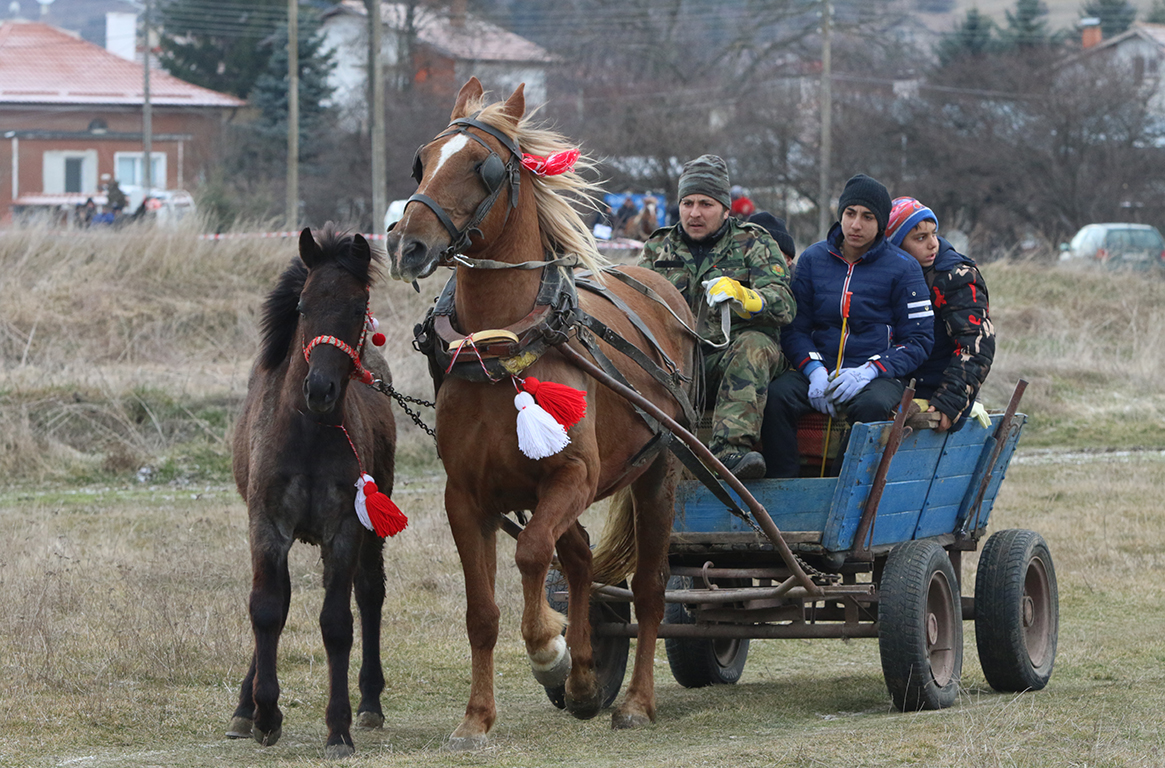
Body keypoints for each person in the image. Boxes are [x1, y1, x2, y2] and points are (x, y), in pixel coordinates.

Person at [761, 174, 934, 478]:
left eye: (867, 217)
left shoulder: (904, 268)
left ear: (880, 224)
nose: (856, 225)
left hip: (876, 374)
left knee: (873, 407)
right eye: (850, 213)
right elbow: (794, 327)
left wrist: (870, 370)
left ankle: (840, 488)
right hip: (820, 368)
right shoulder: (814, 259)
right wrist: (813, 370)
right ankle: (783, 487)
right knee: (776, 397)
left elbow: (919, 340)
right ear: (840, 215)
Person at [640, 154, 796, 478]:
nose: (694, 213)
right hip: (678, 362)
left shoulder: (753, 242)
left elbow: (784, 304)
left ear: (726, 209)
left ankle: (731, 452)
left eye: (706, 204)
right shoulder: (658, 248)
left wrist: (746, 297)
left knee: (753, 343)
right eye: (688, 203)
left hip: (732, 357)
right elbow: (633, 303)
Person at [885, 197, 995, 432]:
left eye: (934, 234)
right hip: (895, 381)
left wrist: (950, 400)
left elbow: (976, 344)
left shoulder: (955, 276)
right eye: (920, 238)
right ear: (896, 245)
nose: (933, 244)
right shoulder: (885, 275)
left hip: (938, 388)